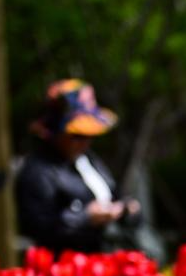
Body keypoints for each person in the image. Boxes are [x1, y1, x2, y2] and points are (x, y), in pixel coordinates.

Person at [15, 79, 141, 255]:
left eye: (90, 135)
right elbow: (39, 229)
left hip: (107, 259)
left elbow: (115, 194)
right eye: (78, 135)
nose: (86, 142)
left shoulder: (88, 159)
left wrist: (127, 209)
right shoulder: (38, 170)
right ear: (55, 132)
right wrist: (86, 217)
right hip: (66, 269)